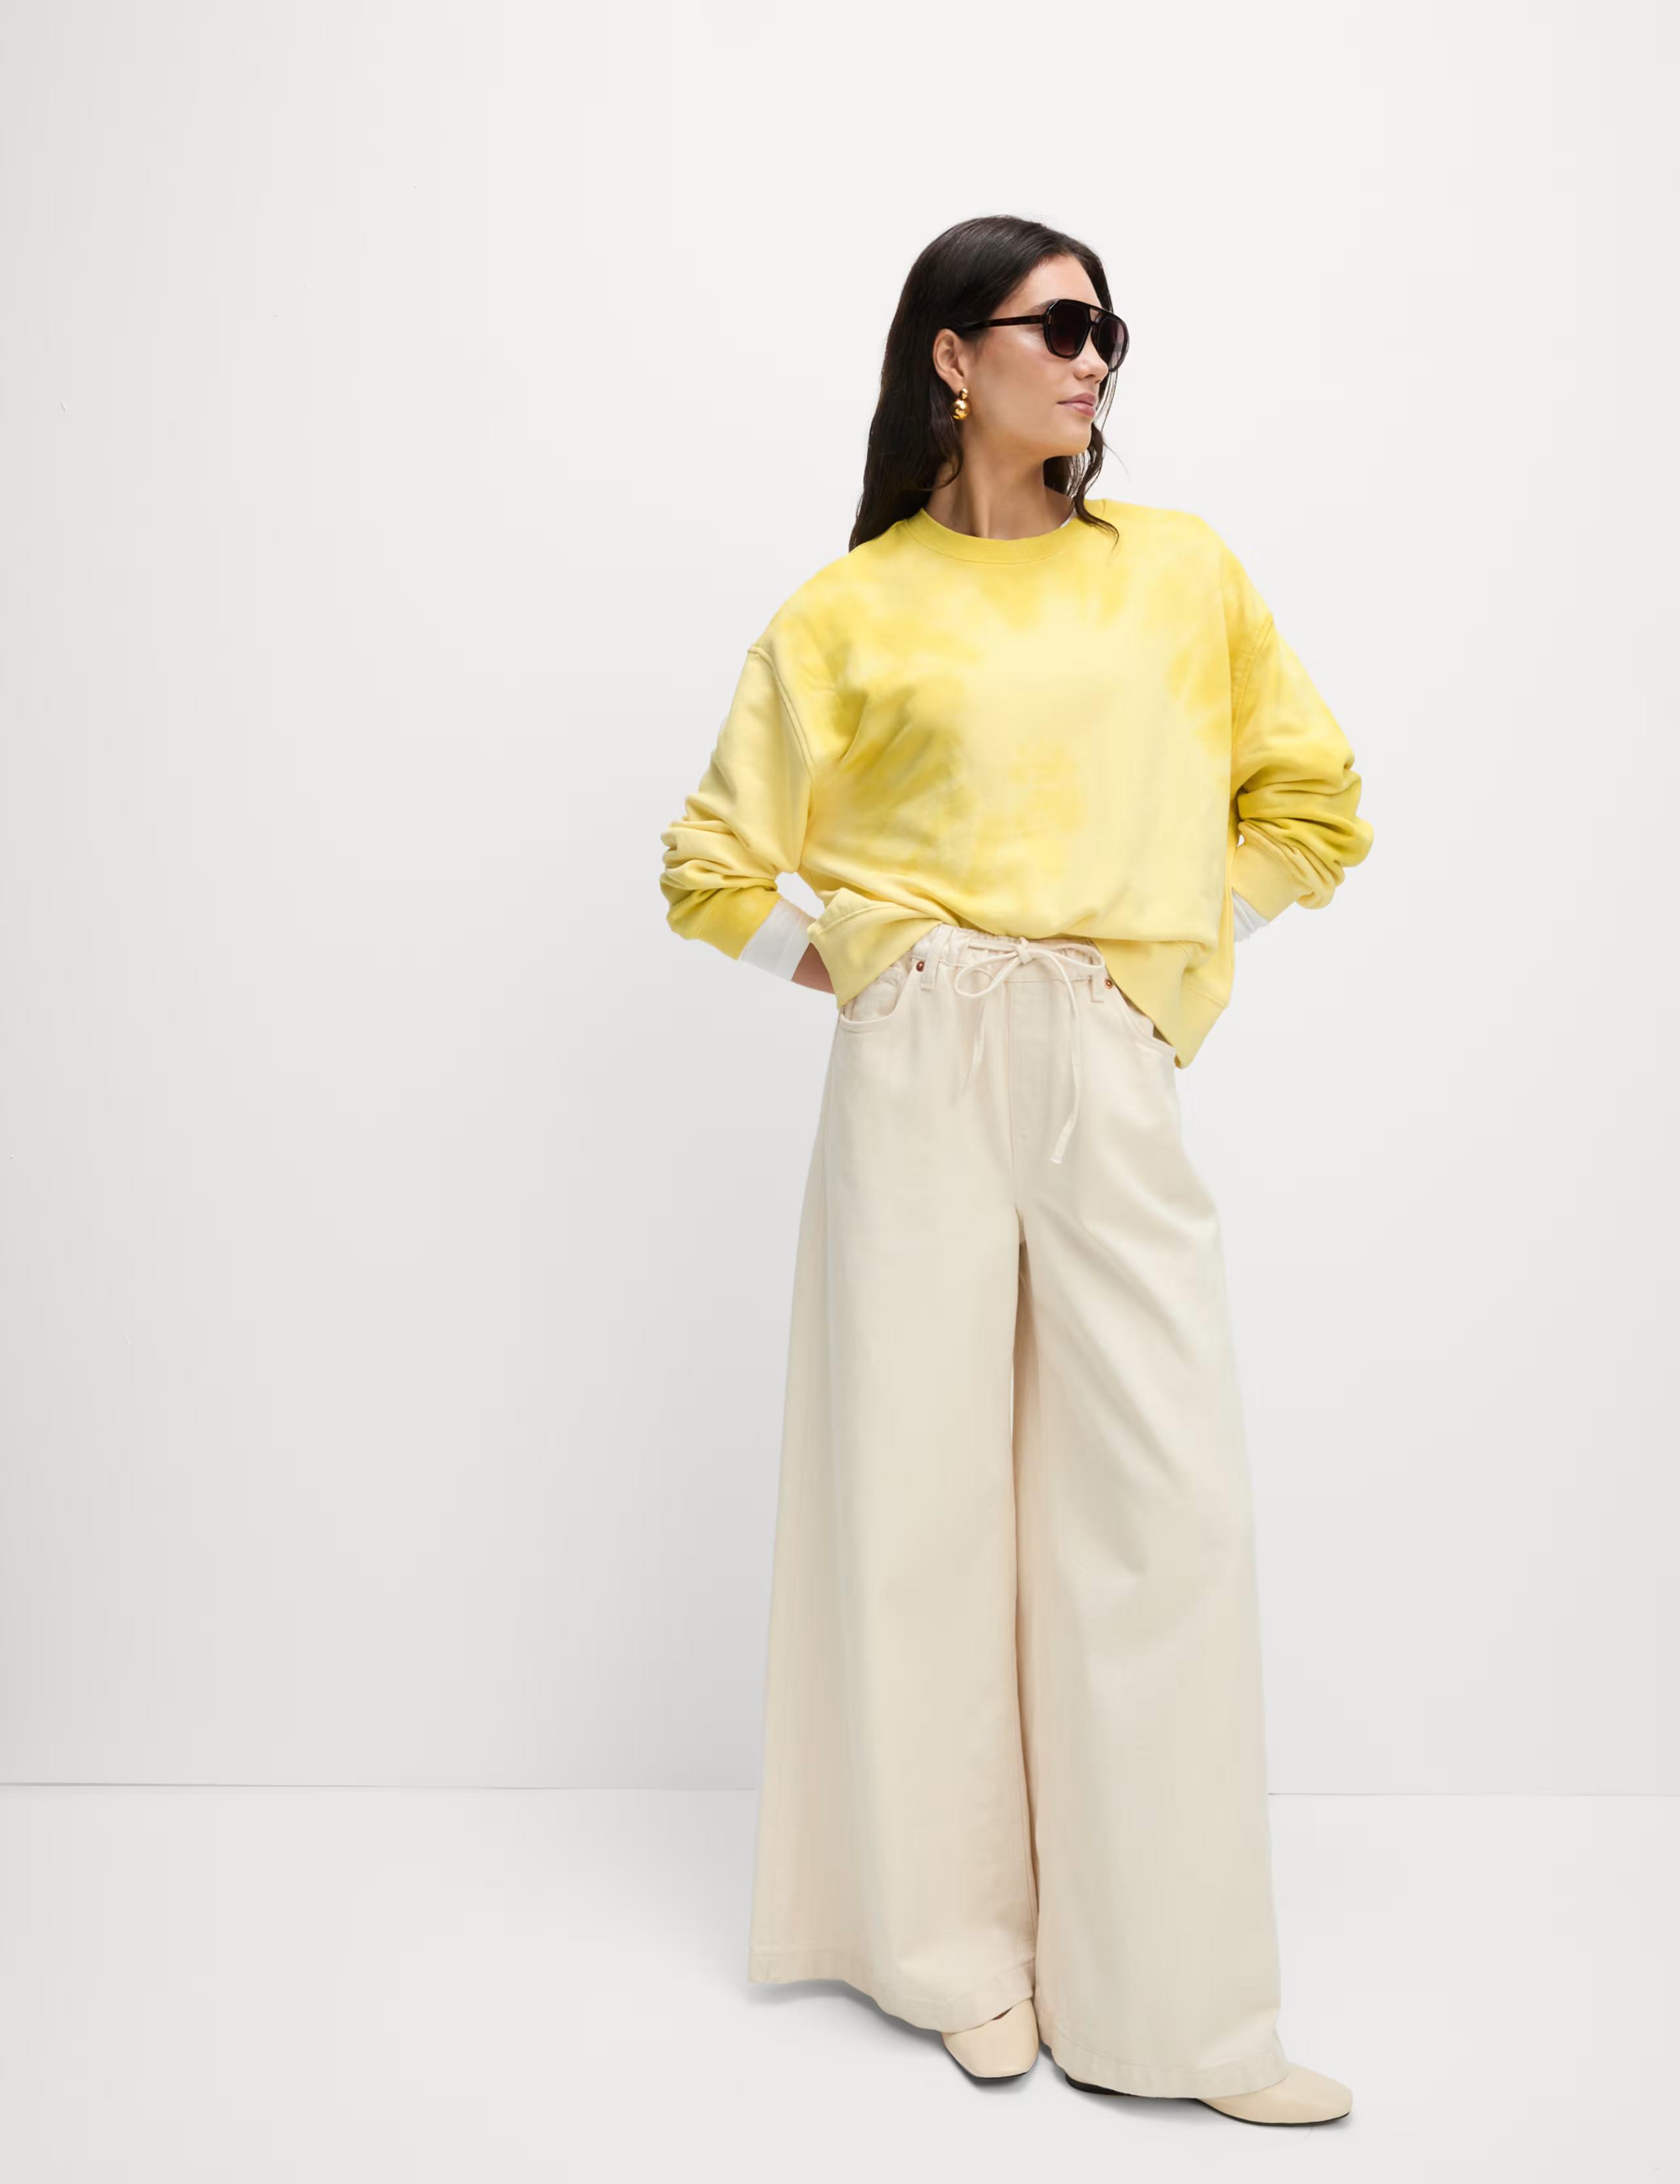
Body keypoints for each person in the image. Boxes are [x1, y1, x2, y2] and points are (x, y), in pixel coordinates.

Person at [658, 213, 1373, 2128]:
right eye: (1057, 325)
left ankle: (1181, 2012)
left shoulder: (1180, 573)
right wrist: (873, 973)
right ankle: (954, 1952)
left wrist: (1165, 972)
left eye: (1108, 327)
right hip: (921, 1065)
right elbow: (710, 870)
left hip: (1105, 1054)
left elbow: (1314, 803)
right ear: (952, 358)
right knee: (921, 1508)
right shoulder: (852, 611)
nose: (1092, 357)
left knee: (1163, 1508)